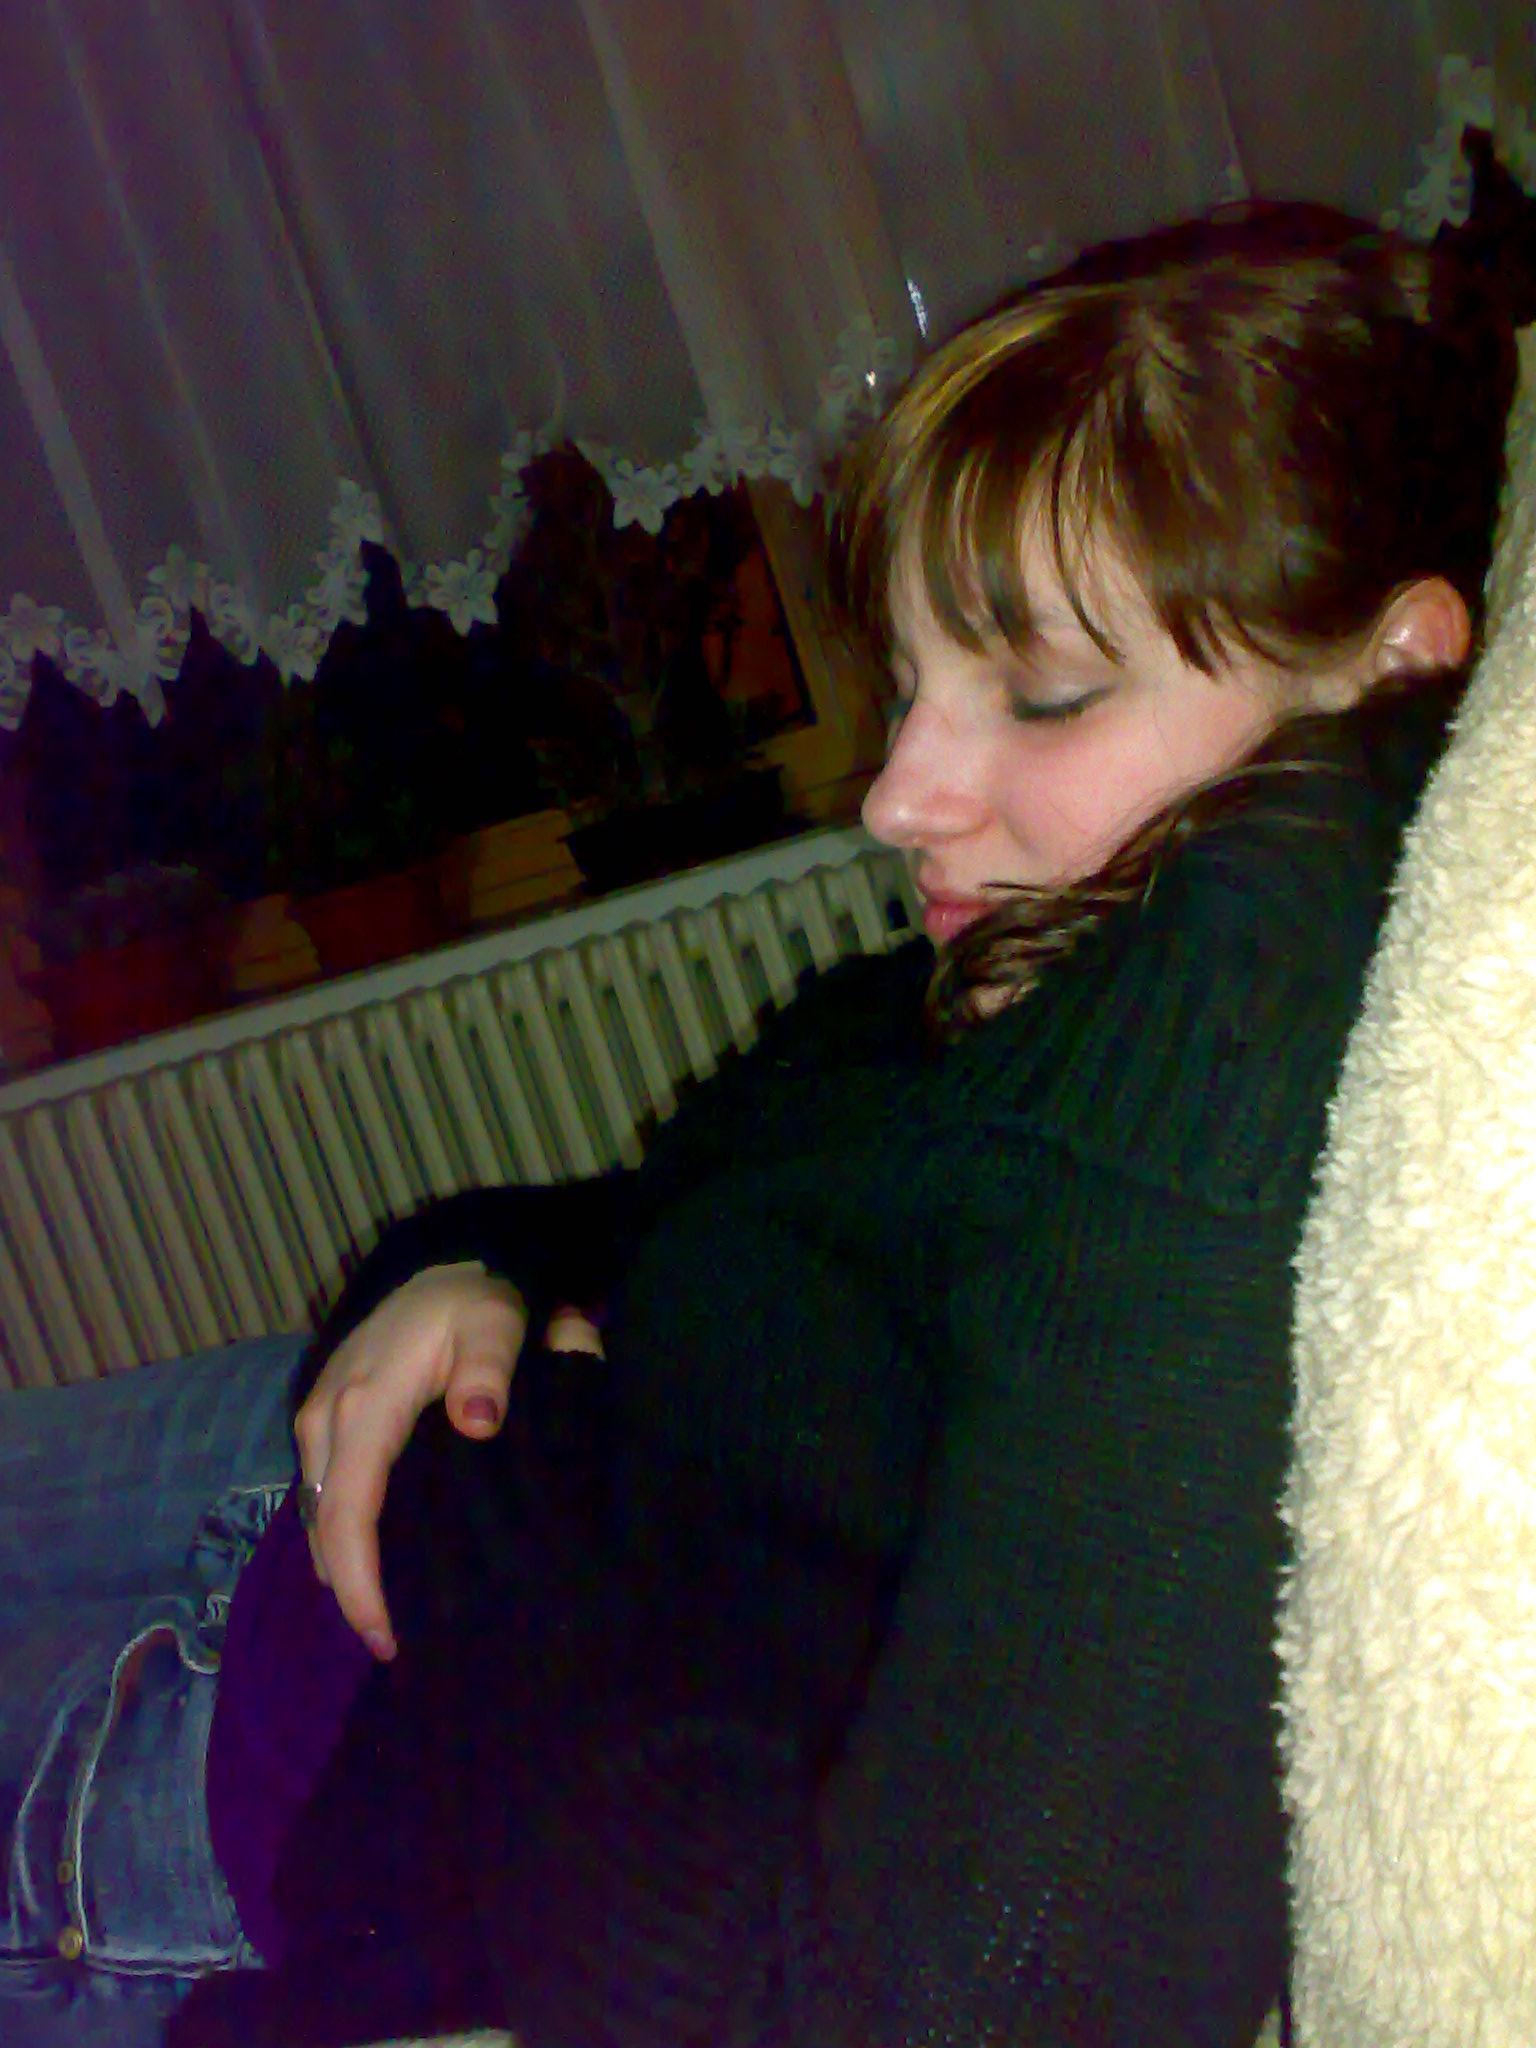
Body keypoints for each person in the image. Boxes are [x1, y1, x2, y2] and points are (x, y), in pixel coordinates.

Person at [0, 202, 1518, 2048]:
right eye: (913, 683)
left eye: (1043, 694)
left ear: (1387, 668)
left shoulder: (1186, 1140)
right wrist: (478, 1276)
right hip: (290, 1461)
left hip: (266, 1760)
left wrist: (509, 1465)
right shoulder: (1034, 970)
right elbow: (671, 1209)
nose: (896, 795)